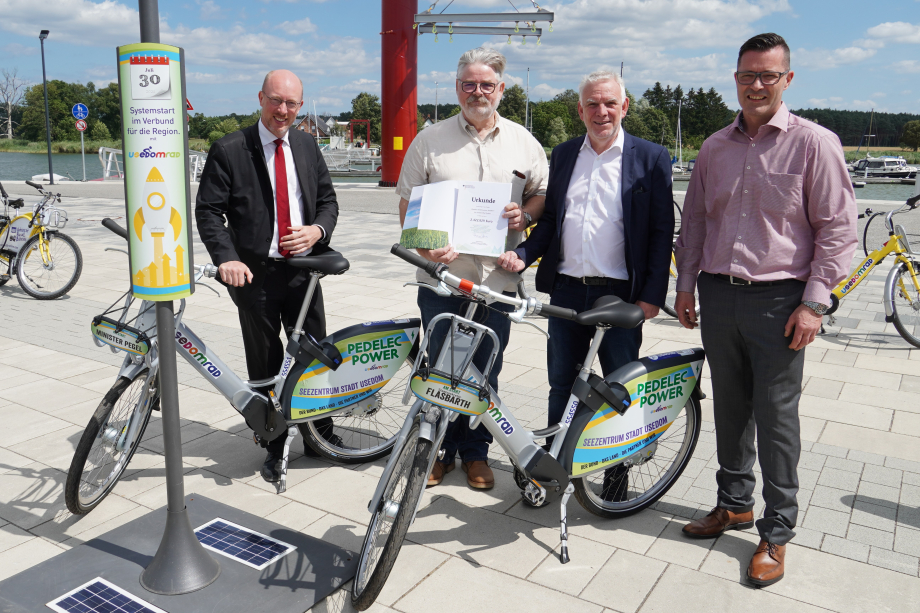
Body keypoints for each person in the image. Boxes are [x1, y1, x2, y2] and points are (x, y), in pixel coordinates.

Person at [674, 33, 857, 586]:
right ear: (734, 78)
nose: (756, 85)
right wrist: (685, 284)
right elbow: (698, 220)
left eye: (768, 76)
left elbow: (838, 230)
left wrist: (814, 304)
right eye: (747, 75)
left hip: (781, 299)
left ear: (787, 80)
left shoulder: (814, 144)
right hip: (717, 293)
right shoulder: (713, 147)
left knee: (777, 419)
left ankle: (777, 531)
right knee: (730, 407)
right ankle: (734, 503)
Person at [497, 70, 673, 501]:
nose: (601, 112)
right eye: (592, 104)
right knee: (563, 381)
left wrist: (652, 295)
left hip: (620, 294)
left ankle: (614, 477)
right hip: (568, 291)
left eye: (610, 103)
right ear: (580, 110)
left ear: (624, 107)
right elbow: (553, 220)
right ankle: (554, 468)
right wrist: (523, 253)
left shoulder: (651, 157)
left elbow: (659, 232)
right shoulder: (565, 153)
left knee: (616, 387)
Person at [396, 47, 549, 490]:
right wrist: (429, 249)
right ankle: (438, 452)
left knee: (487, 369)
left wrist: (527, 215)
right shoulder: (430, 140)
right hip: (444, 279)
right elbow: (408, 206)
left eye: (486, 85)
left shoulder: (524, 141)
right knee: (440, 368)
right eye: (469, 84)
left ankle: (476, 452)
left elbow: (541, 195)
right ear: (457, 87)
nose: (477, 92)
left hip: (498, 282)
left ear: (501, 89)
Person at [196, 69, 339, 483]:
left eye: (292, 103)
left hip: (304, 273)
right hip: (253, 275)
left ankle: (319, 435)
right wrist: (227, 258)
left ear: (300, 105)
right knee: (264, 361)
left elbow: (328, 201)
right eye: (276, 100)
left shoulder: (308, 145)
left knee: (313, 356)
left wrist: (317, 231)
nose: (283, 110)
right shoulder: (230, 148)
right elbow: (208, 211)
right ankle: (273, 441)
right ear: (261, 98)